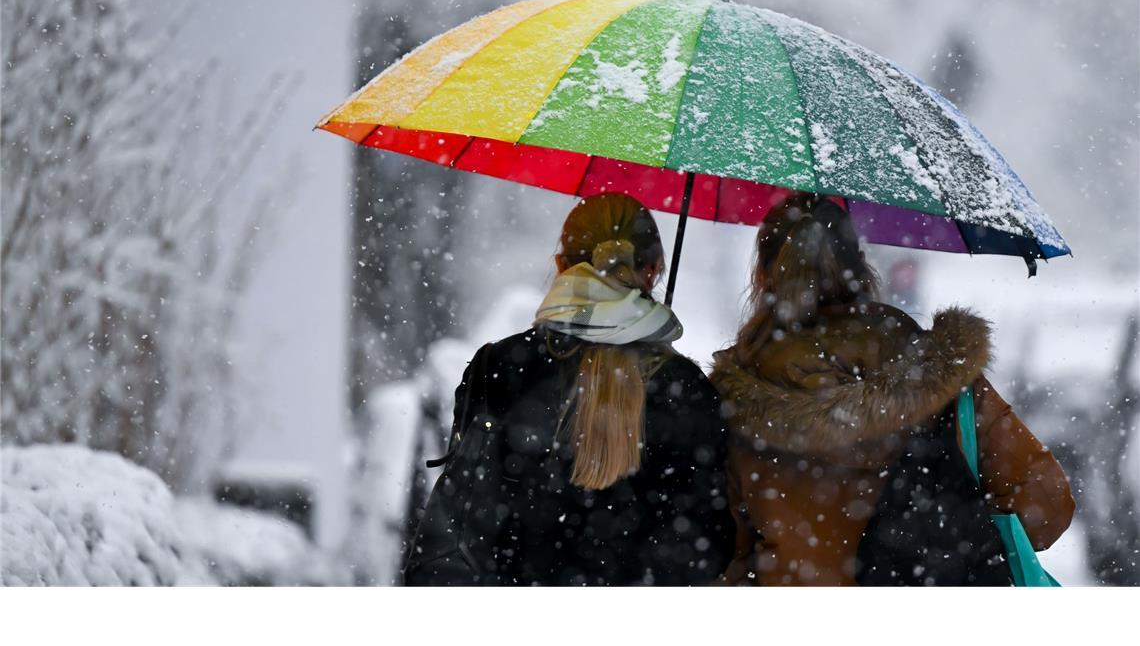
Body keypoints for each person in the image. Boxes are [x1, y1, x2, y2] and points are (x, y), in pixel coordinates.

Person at [709, 192, 1075, 586]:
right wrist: (955, 537)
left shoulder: (735, 388)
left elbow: (720, 547)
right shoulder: (935, 370)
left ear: (764, 274)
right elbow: (1046, 503)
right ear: (861, 266)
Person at [404, 192, 734, 586]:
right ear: (653, 270)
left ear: (561, 264)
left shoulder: (500, 368)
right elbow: (706, 550)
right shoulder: (685, 391)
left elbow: (464, 517)